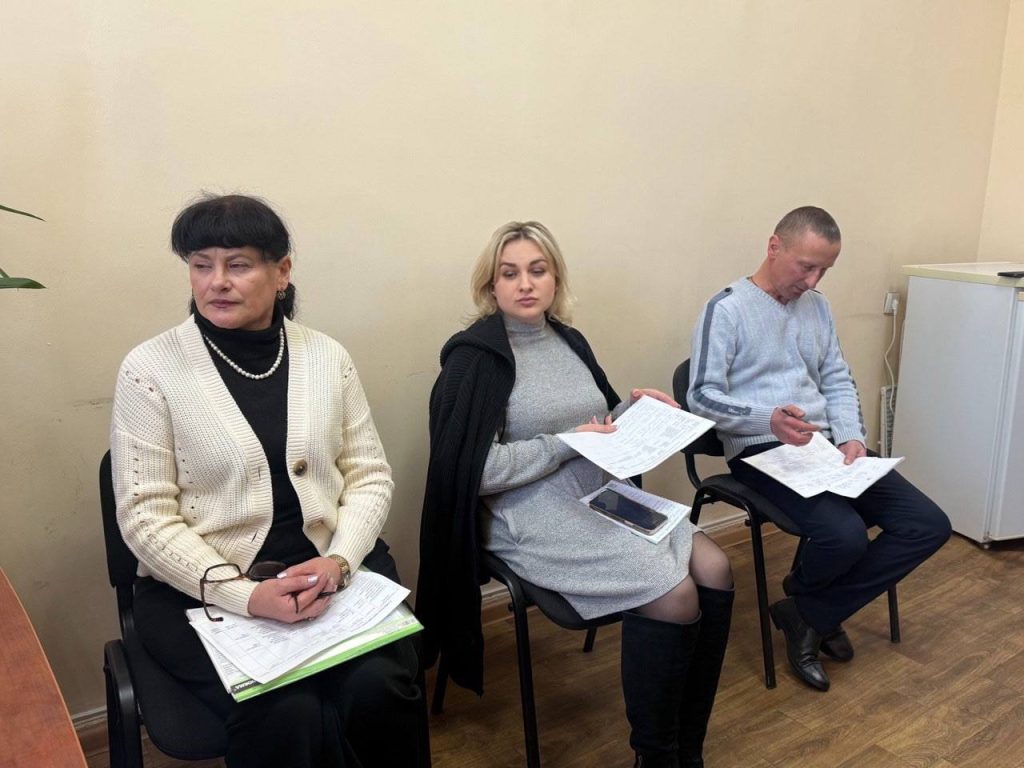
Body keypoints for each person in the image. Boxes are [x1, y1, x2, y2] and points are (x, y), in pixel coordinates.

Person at [110, 194, 423, 767]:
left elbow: (369, 475)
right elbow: (145, 516)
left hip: (333, 577)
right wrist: (246, 595)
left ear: (282, 272)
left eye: (238, 264)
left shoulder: (327, 357)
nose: (216, 282)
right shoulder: (149, 370)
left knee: (378, 688)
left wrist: (339, 561)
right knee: (287, 712)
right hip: (201, 594)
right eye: (201, 264)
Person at [418, 221, 734, 767]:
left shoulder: (569, 340)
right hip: (526, 511)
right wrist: (563, 444)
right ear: (490, 285)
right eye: (509, 273)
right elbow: (475, 471)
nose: (525, 284)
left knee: (716, 567)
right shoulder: (475, 360)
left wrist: (635, 412)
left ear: (555, 279)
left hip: (596, 492)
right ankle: (656, 756)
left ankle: (688, 746)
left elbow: (597, 425)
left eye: (537, 271)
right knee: (675, 594)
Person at [688, 205, 951, 692]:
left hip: (823, 447)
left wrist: (852, 436)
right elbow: (701, 396)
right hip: (759, 449)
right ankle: (814, 610)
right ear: (774, 247)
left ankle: (807, 610)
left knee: (927, 524)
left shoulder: (818, 306)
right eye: (805, 266)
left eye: (824, 270)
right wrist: (765, 418)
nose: (812, 281)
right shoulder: (726, 310)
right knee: (845, 535)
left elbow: (836, 377)